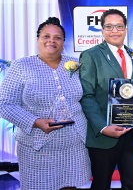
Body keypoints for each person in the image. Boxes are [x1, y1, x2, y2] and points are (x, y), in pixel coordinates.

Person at [0, 17, 91, 190]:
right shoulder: (21, 66)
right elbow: (4, 103)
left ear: (64, 42)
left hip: (74, 145)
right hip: (36, 147)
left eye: (57, 37)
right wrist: (35, 121)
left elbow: (91, 94)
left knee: (70, 186)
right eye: (46, 36)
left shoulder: (75, 65)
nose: (52, 41)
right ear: (38, 39)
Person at [79, 9, 133, 190]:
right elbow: (86, 95)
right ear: (102, 30)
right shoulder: (91, 56)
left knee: (132, 185)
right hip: (104, 135)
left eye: (119, 26)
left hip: (132, 133)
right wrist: (103, 126)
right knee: (101, 184)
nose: (114, 30)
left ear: (125, 29)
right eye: (109, 26)